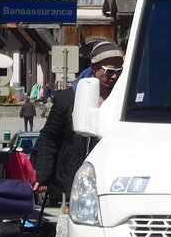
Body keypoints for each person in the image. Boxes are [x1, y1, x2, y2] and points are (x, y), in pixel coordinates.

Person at [33, 41, 123, 203]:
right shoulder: (68, 98)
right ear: (95, 68)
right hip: (69, 187)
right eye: (110, 71)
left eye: (118, 71)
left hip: (108, 185)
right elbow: (49, 137)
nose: (115, 76)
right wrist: (43, 175)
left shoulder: (122, 99)